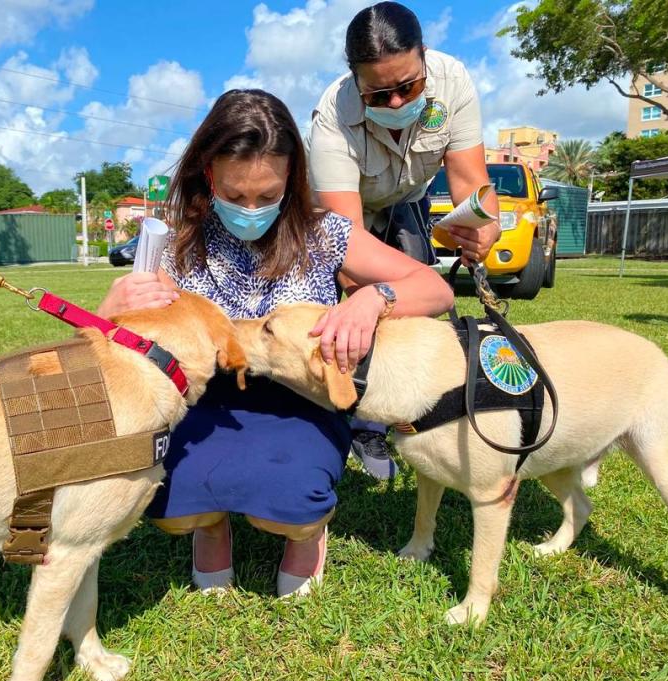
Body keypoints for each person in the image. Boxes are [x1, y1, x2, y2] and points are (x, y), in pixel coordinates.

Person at [97, 89, 452, 598]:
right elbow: (126, 353)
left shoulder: (324, 233)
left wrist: (374, 297)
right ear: (208, 174)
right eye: (236, 195)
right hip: (209, 404)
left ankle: (306, 530)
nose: (251, 209)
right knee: (168, 495)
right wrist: (110, 313)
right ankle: (210, 524)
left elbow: (435, 289)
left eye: (268, 195)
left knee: (292, 494)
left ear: (292, 179)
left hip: (301, 402)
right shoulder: (174, 245)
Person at [307, 1, 499, 479]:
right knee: (352, 307)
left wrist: (486, 226)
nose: (396, 102)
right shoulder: (330, 116)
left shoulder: (454, 82)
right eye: (378, 94)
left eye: (408, 87)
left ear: (425, 57)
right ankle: (364, 421)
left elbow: (471, 180)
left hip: (407, 199)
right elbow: (345, 242)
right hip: (345, 214)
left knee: (422, 299)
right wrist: (369, 298)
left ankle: (426, 405)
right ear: (354, 80)